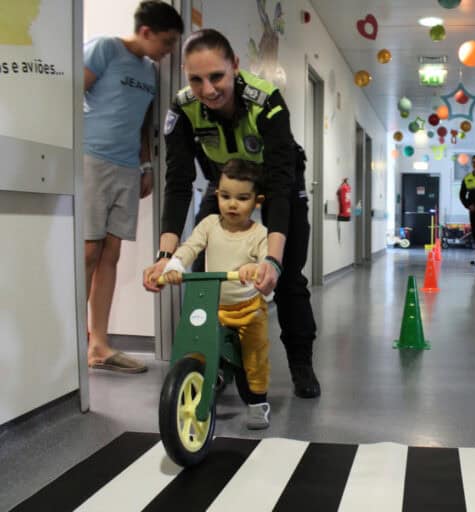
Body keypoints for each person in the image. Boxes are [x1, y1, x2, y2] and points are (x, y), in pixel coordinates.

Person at [142, 28, 321, 398]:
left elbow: (280, 187)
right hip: (225, 187)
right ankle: (216, 357)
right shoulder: (182, 109)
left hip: (278, 187)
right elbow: (177, 184)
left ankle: (301, 362)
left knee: (286, 279)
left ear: (235, 66)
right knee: (202, 277)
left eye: (217, 76)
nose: (207, 90)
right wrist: (164, 256)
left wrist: (271, 260)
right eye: (196, 79)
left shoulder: (266, 101)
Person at [84, 1, 183, 373]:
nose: (169, 50)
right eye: (167, 41)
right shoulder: (105, 48)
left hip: (127, 165)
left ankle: (100, 346)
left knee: (111, 253)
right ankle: (73, 347)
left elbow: (144, 122)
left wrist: (145, 164)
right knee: (88, 251)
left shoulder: (151, 71)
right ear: (146, 32)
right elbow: (72, 92)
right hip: (92, 158)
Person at [161, 160, 272, 429]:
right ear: (216, 195)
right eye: (225, 196)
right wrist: (175, 264)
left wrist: (254, 268)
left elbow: (267, 261)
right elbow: (190, 246)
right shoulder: (210, 224)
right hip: (214, 306)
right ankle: (206, 376)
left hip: (248, 307)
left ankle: (258, 403)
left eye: (242, 198)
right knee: (198, 342)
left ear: (257, 201)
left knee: (254, 354)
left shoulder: (259, 233)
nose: (232, 204)